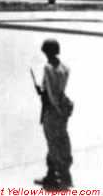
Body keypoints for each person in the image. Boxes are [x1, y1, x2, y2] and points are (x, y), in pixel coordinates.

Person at [34, 39, 72, 189]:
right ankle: (53, 174)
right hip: (62, 110)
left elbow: (51, 93)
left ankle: (59, 176)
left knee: (52, 143)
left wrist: (41, 92)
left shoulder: (48, 68)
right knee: (59, 141)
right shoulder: (65, 68)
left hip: (52, 110)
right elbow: (58, 90)